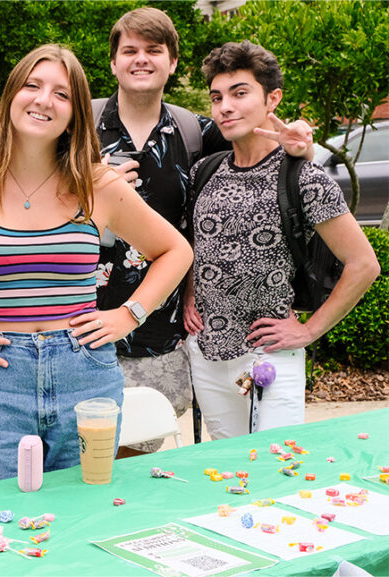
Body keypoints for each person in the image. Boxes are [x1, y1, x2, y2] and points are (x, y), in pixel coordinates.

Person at [0, 44, 193, 486]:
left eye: (62, 94)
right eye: (32, 86)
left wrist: (129, 314)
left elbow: (176, 251)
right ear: (10, 97)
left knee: (82, 518)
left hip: (86, 376)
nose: (44, 100)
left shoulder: (97, 184)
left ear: (75, 113)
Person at [94, 7, 316, 455]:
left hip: (163, 331)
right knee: (81, 455)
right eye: (130, 50)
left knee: (139, 453)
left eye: (154, 50)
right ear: (113, 62)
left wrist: (304, 149)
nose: (141, 59)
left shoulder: (200, 131)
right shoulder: (77, 127)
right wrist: (88, 190)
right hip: (83, 323)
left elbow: (262, 154)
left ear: (172, 62)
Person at [183, 41, 379, 440]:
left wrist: (308, 331)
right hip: (206, 354)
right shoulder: (204, 170)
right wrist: (190, 294)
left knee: (274, 468)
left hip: (270, 353)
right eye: (217, 97)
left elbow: (364, 264)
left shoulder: (303, 176)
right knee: (225, 470)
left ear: (272, 98)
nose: (225, 107)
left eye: (240, 93)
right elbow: (195, 244)